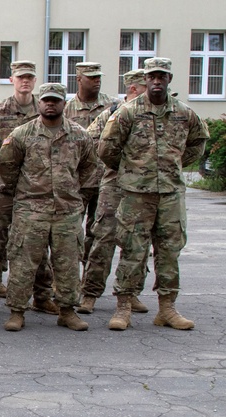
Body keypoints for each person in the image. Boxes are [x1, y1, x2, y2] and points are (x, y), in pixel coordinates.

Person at [99, 57, 209, 331]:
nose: (157, 81)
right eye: (153, 77)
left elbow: (198, 141)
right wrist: (130, 171)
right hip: (136, 195)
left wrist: (178, 163)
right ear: (145, 80)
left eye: (162, 77)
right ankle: (124, 306)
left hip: (171, 193)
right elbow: (106, 148)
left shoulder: (184, 113)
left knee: (169, 251)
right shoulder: (128, 112)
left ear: (169, 79)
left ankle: (167, 308)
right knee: (132, 251)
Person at [0, 84, 97, 331]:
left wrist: (73, 194)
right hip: (31, 210)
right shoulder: (22, 134)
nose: (51, 104)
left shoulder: (80, 135)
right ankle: (17, 312)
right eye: (47, 100)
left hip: (67, 211)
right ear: (39, 103)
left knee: (68, 262)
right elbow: (7, 167)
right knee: (22, 262)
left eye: (56, 101)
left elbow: (89, 168)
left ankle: (67, 311)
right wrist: (26, 193)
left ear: (64, 104)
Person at [0, 61, 57, 317]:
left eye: (29, 77)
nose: (25, 81)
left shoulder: (43, 109)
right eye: (20, 77)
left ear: (34, 81)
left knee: (38, 244)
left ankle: (42, 295)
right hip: (2, 189)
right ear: (12, 79)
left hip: (35, 190)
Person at [78, 69, 149, 314]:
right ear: (134, 89)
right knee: (103, 237)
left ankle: (130, 293)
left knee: (137, 241)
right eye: (145, 87)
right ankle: (90, 292)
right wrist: (115, 163)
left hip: (143, 187)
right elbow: (89, 140)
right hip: (114, 184)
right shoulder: (113, 112)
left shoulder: (153, 114)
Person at [65, 62, 119, 266]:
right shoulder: (66, 109)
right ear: (79, 79)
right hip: (77, 181)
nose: (97, 81)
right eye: (92, 77)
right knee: (71, 232)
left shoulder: (114, 107)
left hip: (107, 180)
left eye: (99, 77)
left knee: (101, 233)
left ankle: (90, 279)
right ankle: (66, 278)